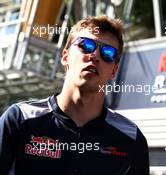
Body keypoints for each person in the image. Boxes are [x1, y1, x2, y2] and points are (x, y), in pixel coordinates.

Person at [0, 15, 149, 175]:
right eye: (86, 45)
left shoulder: (131, 139)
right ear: (65, 57)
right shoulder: (19, 120)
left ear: (114, 70)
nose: (95, 56)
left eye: (107, 53)